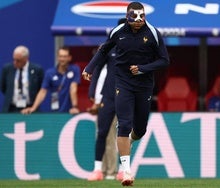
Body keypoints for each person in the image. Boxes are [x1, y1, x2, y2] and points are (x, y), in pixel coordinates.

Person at [82, 2, 169, 186]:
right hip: (122, 83)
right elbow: (103, 49)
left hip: (144, 85)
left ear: (144, 16)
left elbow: (164, 60)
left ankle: (130, 141)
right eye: (134, 17)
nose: (138, 21)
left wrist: (143, 69)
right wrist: (89, 67)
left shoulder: (153, 33)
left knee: (140, 129)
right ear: (127, 15)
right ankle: (126, 172)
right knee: (124, 124)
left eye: (141, 17)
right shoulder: (118, 32)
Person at [87, 18, 127, 181]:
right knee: (102, 132)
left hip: (126, 95)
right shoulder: (108, 47)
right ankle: (97, 170)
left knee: (124, 134)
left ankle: (123, 170)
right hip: (109, 96)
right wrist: (92, 90)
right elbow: (96, 68)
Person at [21, 46, 80, 114]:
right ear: (57, 57)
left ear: (69, 58)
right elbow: (43, 91)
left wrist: (74, 106)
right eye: (60, 56)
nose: (62, 59)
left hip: (70, 111)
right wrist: (33, 108)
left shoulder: (75, 70)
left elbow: (73, 89)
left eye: (65, 56)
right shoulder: (50, 73)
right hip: (55, 109)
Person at [0, 45, 44, 112]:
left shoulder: (37, 70)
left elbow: (41, 88)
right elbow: (3, 87)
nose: (15, 62)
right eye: (14, 59)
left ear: (26, 59)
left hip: (30, 107)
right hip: (11, 108)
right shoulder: (7, 69)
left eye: (18, 60)